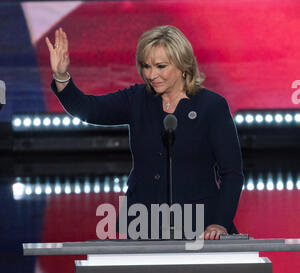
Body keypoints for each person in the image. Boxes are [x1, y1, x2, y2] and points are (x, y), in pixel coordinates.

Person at [46, 25, 244, 240]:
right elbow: (88, 109)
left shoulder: (212, 106)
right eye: (146, 66)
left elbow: (231, 173)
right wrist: (61, 75)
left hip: (201, 225)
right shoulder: (137, 99)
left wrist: (220, 223)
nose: (152, 75)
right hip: (142, 224)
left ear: (183, 64)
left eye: (161, 66)